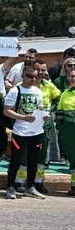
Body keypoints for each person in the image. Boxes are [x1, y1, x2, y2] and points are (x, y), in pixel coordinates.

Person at [3, 64, 48, 199]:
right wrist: (22, 117)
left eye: (36, 76)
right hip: (20, 131)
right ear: (23, 76)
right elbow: (6, 111)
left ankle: (30, 186)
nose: (33, 79)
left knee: (33, 161)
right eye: (29, 76)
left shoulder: (38, 91)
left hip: (36, 131)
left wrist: (44, 117)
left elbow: (40, 108)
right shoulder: (15, 91)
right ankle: (11, 186)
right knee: (16, 160)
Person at [19, 60, 60, 192]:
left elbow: (58, 98)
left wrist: (50, 109)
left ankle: (38, 182)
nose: (41, 73)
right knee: (24, 155)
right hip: (25, 126)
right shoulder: (21, 86)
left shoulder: (49, 85)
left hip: (43, 126)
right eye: (38, 70)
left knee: (41, 155)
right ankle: (20, 182)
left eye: (44, 70)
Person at [54, 67, 75, 196]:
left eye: (74, 76)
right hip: (68, 132)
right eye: (71, 76)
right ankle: (74, 186)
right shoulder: (65, 93)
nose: (72, 78)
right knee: (73, 160)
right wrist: (61, 129)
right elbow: (59, 113)